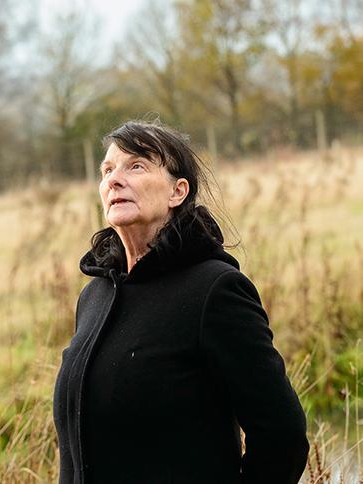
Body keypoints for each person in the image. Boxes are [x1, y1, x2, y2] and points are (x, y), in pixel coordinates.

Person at [53, 120, 309, 483]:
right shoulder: (95, 295)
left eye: (136, 165)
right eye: (107, 170)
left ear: (178, 191)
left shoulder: (214, 290)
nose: (114, 179)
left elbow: (282, 435)